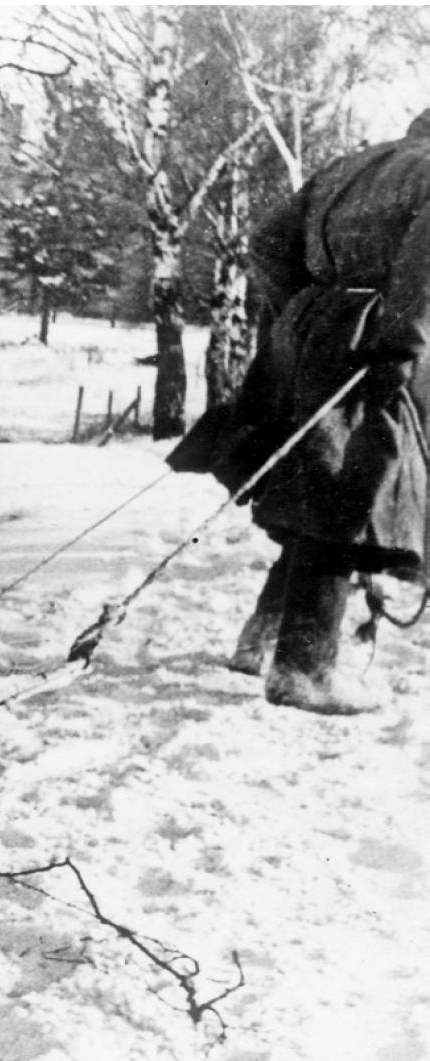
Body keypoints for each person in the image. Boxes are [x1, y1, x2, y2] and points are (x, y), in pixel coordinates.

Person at [172, 110, 430, 714]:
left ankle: (259, 640)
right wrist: (399, 340)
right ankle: (303, 670)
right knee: (352, 492)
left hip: (311, 337)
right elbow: (428, 270)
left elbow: (265, 240)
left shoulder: (351, 166)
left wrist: (310, 311)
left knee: (317, 484)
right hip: (379, 343)